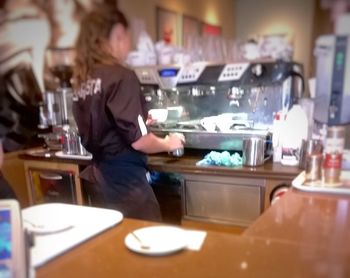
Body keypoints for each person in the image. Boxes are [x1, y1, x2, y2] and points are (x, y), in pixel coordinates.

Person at [73, 7, 184, 221]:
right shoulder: (121, 76)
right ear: (116, 35)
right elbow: (140, 142)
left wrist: (139, 119)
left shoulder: (84, 78)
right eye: (126, 37)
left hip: (99, 179)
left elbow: (106, 122)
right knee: (149, 243)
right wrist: (169, 143)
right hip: (125, 184)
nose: (129, 45)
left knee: (114, 246)